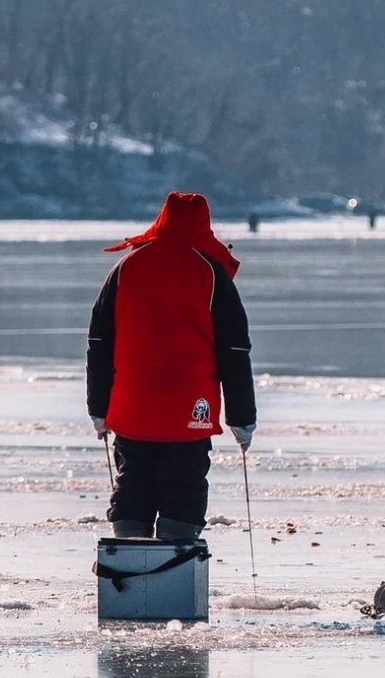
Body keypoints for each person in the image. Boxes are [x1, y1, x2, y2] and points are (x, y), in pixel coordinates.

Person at [87, 192, 257, 540]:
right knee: (184, 485)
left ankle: (129, 560)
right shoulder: (211, 272)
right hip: (190, 406)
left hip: (132, 404)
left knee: (133, 480)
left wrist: (98, 407)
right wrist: (242, 417)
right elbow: (234, 350)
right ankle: (176, 564)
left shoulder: (125, 268)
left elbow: (99, 343)